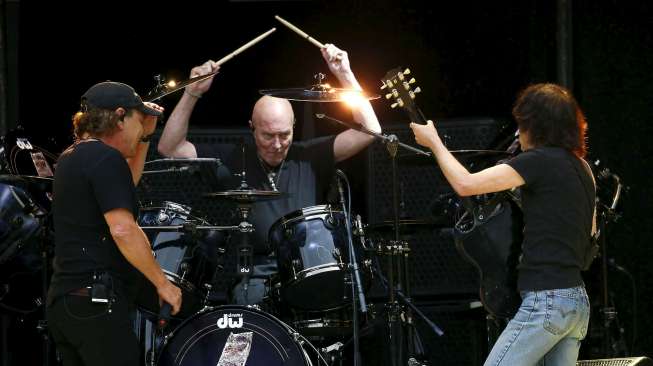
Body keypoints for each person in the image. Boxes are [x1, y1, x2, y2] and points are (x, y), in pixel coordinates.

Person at [157, 44, 381, 305]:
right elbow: (169, 148)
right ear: (252, 129)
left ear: (294, 128)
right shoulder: (231, 158)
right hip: (255, 283)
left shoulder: (310, 155)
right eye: (267, 136)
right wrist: (191, 93)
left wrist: (346, 75)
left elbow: (370, 130)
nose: (277, 144)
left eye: (284, 135)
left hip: (309, 273)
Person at [410, 83, 595, 365]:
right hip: (577, 302)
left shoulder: (537, 161)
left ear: (535, 126)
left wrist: (434, 142)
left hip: (545, 301)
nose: (519, 133)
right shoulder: (584, 168)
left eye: (522, 125)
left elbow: (465, 184)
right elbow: (591, 232)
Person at [46, 81, 182, 366]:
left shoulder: (74, 157)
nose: (142, 126)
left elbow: (123, 186)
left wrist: (144, 138)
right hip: (96, 302)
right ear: (120, 117)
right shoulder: (105, 158)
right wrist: (162, 284)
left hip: (67, 303)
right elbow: (122, 229)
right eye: (138, 118)